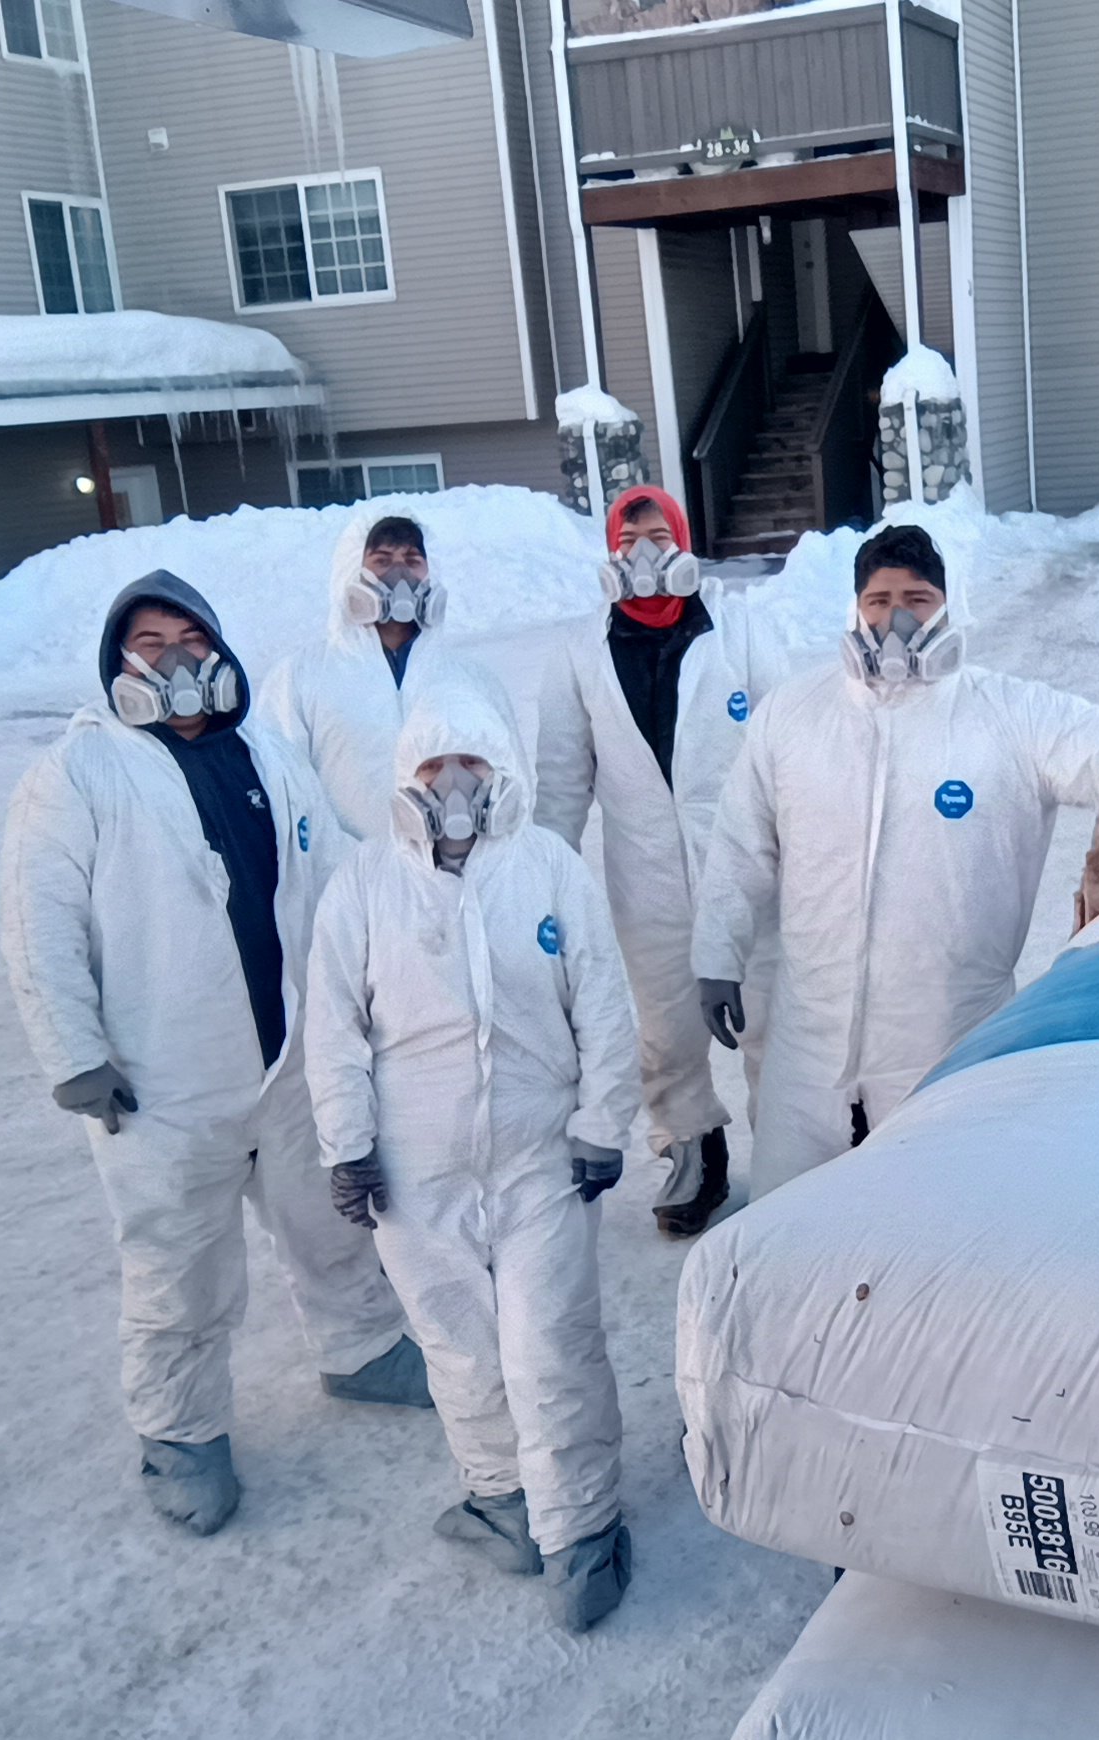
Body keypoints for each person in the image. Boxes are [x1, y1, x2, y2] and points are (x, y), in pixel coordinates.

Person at [691, 523, 1099, 1198]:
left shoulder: (1008, 715)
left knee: (935, 1219)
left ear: (946, 607)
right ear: (856, 609)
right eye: (879, 601)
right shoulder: (794, 715)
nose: (896, 620)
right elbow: (741, 843)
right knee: (787, 1214)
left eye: (916, 599)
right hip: (809, 1046)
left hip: (946, 1042)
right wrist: (717, 955)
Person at [0, 571, 428, 1538]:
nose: (176, 660)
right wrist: (73, 1052)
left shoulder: (267, 752)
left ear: (220, 649)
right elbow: (37, 923)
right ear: (119, 664)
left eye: (191, 639)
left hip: (287, 1059)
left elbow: (336, 869)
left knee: (330, 1222)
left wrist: (417, 902)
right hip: (161, 1083)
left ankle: (360, 1348)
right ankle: (180, 1431)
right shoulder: (78, 774)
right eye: (151, 645)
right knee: (179, 1263)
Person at [304, 666, 642, 1634]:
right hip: (415, 1176)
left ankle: (582, 1529)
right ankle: (502, 1498)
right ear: (406, 775)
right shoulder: (365, 884)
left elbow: (603, 1003)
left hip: (543, 1163)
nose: (454, 785)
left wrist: (602, 1121)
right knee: (458, 1343)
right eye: (433, 766)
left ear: (502, 769)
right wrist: (348, 1145)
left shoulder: (547, 868)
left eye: (473, 763)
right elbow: (333, 1026)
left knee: (550, 1343)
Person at [553, 485, 787, 1236]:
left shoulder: (737, 627)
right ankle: (692, 1151)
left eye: (659, 537)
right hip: (646, 877)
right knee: (667, 1029)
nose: (645, 554)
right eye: (629, 543)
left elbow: (791, 743)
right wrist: (546, 884)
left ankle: (787, 1155)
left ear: (683, 543)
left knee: (772, 1018)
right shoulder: (581, 649)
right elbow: (562, 780)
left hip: (748, 868)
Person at [259, 508, 589, 850]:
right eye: (382, 560)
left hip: (451, 878)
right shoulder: (300, 679)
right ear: (351, 571)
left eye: (412, 560)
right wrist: (345, 863)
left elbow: (511, 790)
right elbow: (285, 794)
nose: (399, 574)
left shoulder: (471, 682)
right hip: (344, 875)